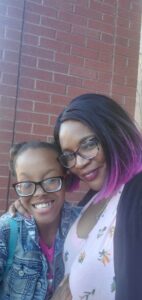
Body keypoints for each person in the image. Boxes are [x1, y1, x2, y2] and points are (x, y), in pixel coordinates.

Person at [50, 93, 142, 300]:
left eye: (89, 144)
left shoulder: (137, 193)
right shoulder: (94, 197)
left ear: (115, 133)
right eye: (69, 155)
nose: (79, 163)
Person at [0, 140, 81, 300]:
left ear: (65, 180)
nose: (39, 193)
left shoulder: (85, 225)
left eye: (51, 180)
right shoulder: (6, 231)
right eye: (27, 184)